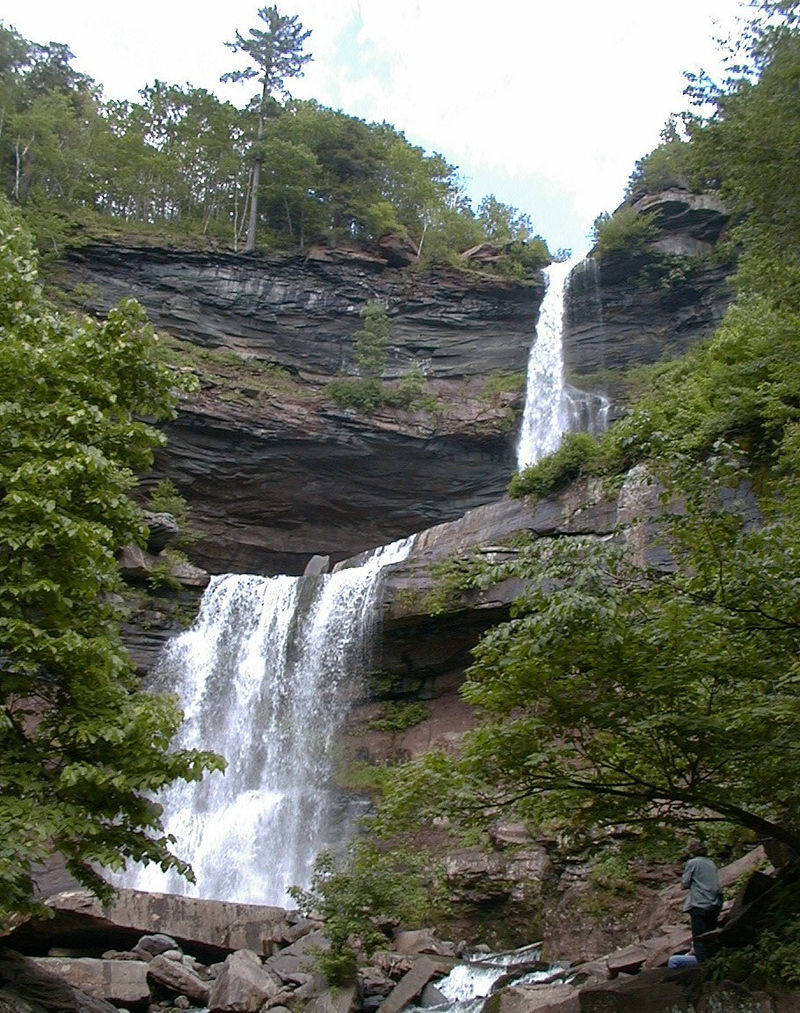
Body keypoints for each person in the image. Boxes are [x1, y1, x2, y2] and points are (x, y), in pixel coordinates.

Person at [680, 838, 723, 963]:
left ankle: (702, 969)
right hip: (714, 904)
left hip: (699, 904)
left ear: (692, 851)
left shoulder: (692, 863)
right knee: (710, 937)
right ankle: (713, 963)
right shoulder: (711, 863)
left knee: (699, 939)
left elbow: (684, 884)